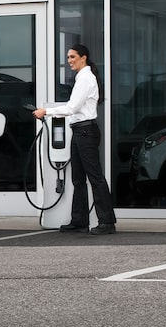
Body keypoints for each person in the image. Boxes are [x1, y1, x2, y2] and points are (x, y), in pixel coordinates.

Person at [32, 44, 117, 235]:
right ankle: (79, 221)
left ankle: (107, 222)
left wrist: (46, 111)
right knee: (78, 178)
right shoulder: (82, 78)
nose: (69, 60)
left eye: (72, 57)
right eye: (68, 57)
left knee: (95, 177)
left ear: (83, 57)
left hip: (85, 132)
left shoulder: (86, 78)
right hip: (79, 131)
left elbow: (72, 108)